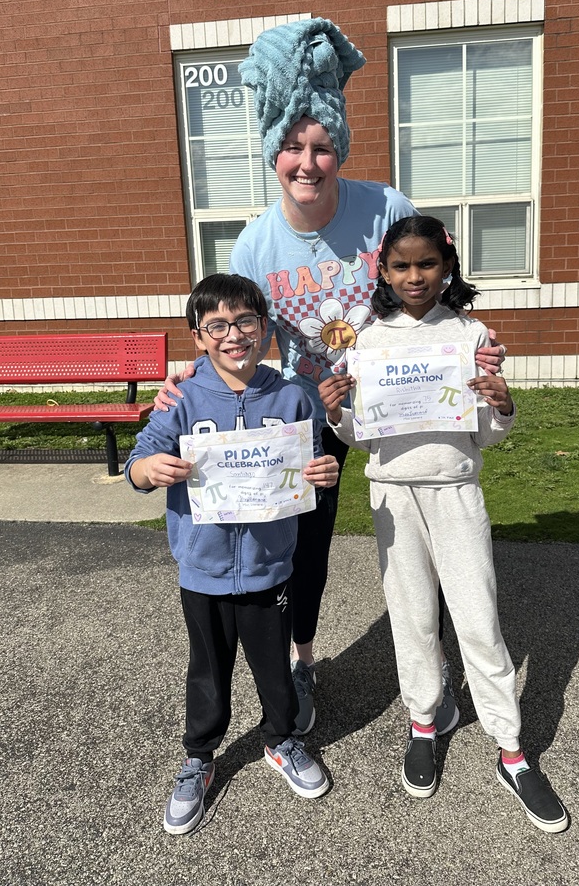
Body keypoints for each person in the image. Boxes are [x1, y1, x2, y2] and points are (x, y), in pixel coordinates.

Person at [156, 17, 505, 735]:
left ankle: (437, 662)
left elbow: (431, 291)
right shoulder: (257, 240)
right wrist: (186, 383)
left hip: (397, 403)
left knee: (428, 528)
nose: (307, 162)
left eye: (320, 147)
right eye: (292, 147)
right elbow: (237, 329)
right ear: (273, 153)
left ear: (338, 150)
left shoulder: (385, 208)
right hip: (313, 406)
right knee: (304, 544)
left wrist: (474, 347)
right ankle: (302, 660)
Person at [318, 215, 569, 834]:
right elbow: (363, 432)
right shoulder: (368, 340)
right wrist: (336, 417)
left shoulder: (470, 333)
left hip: (456, 491)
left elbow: (484, 430)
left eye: (426, 264)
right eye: (401, 266)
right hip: (394, 498)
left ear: (447, 266)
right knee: (412, 619)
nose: (414, 276)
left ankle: (511, 751)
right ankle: (426, 722)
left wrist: (504, 406)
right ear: (383, 271)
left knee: (479, 620)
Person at [126, 273, 339, 835]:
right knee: (208, 669)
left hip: (272, 566)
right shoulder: (180, 396)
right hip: (204, 566)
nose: (233, 335)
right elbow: (140, 459)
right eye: (216, 325)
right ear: (197, 336)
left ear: (264, 328)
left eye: (245, 321)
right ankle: (199, 755)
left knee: (274, 666)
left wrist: (325, 472)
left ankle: (281, 739)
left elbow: (315, 463)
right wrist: (150, 471)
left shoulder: (294, 395)